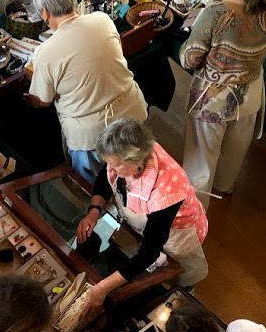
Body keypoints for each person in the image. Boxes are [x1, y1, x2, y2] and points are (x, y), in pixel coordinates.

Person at [75, 118, 208, 316]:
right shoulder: (125, 157)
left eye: (116, 165)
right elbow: (105, 176)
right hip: (147, 226)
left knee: (177, 276)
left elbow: (149, 253)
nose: (111, 168)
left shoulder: (165, 192)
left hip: (176, 235)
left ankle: (182, 295)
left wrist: (102, 288)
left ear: (135, 161)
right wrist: (94, 211)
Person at [181, 0, 266, 199]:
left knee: (202, 158)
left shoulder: (214, 14)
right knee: (236, 150)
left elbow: (190, 58)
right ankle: (224, 187)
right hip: (249, 96)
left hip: (213, 100)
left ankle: (196, 209)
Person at [25, 0, 149, 184]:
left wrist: (31, 99)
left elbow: (42, 101)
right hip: (132, 114)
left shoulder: (45, 53)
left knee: (94, 191)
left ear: (44, 12)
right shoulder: (102, 19)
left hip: (93, 137)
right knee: (138, 180)